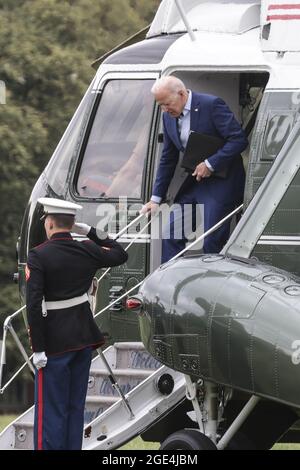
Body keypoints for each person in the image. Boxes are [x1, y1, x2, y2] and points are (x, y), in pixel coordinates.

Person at [26, 197, 128, 450]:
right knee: (74, 408)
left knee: (51, 411)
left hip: (53, 345)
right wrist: (91, 232)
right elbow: (120, 253)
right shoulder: (87, 249)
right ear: (72, 224)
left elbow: (33, 304)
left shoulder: (39, 255)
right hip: (82, 339)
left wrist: (38, 347)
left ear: (49, 223)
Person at [142, 76, 248, 263]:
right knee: (171, 234)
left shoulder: (211, 105)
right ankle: (168, 285)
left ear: (181, 94)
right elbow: (168, 158)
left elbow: (239, 140)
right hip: (195, 182)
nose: (164, 109)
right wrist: (155, 198)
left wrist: (210, 163)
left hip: (223, 183)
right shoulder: (167, 116)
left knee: (211, 241)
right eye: (160, 105)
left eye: (167, 103)